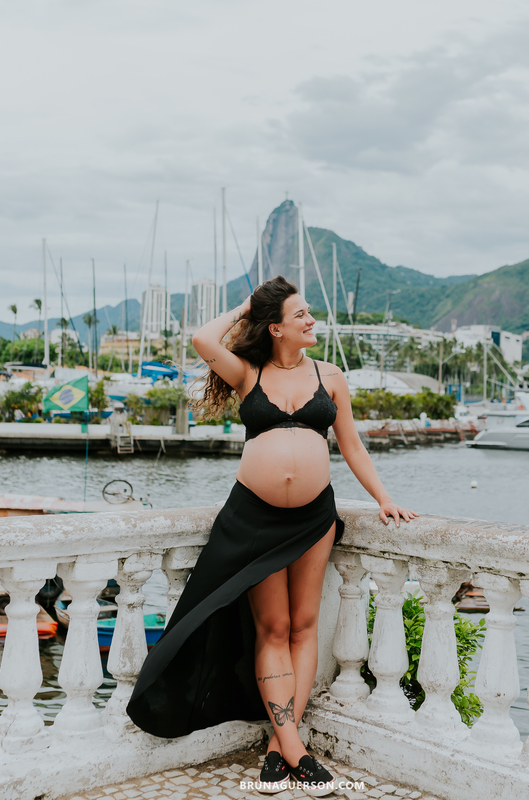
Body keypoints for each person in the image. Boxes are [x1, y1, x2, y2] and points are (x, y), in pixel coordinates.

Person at [127, 276, 416, 796]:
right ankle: (294, 748)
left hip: (313, 517)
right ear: (276, 327)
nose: (311, 320)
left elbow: (351, 447)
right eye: (300, 314)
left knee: (304, 625)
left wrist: (383, 498)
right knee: (273, 627)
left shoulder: (330, 377)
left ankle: (283, 745)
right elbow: (202, 340)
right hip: (253, 516)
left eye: (309, 312)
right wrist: (248, 306)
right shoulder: (247, 372)